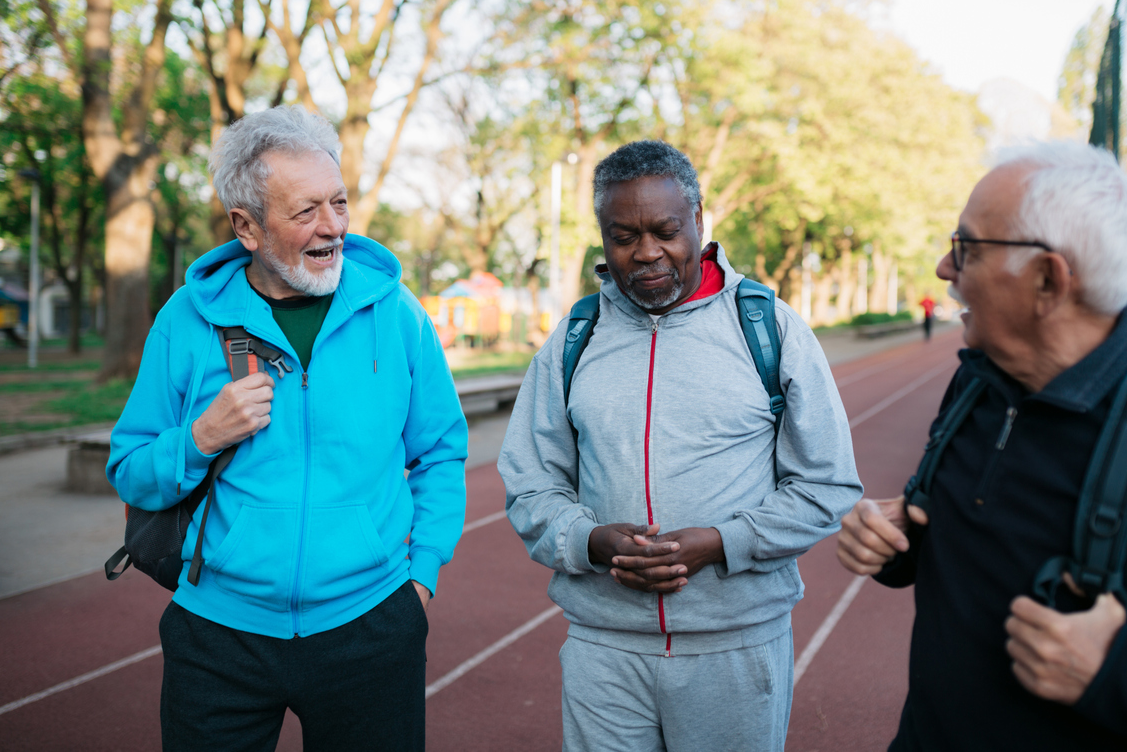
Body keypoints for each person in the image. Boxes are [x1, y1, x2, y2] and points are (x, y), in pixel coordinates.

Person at [836, 142, 1127, 751]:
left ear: (1048, 280)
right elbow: (985, 534)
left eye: (967, 248)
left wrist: (1121, 674)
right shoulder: (977, 379)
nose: (946, 269)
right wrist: (901, 542)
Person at [107, 106, 467, 751]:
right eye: (305, 211)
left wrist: (421, 579)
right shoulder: (185, 320)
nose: (332, 228)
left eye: (339, 202)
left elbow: (441, 454)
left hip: (373, 621)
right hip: (219, 635)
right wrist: (200, 438)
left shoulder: (399, 315)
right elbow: (130, 470)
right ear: (246, 226)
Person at [499, 140, 862, 752]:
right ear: (602, 240)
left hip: (736, 643)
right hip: (603, 647)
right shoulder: (576, 337)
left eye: (666, 230)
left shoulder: (768, 329)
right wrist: (589, 540)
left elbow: (827, 484)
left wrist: (722, 544)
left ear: (699, 221)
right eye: (623, 236)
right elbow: (530, 480)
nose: (646, 253)